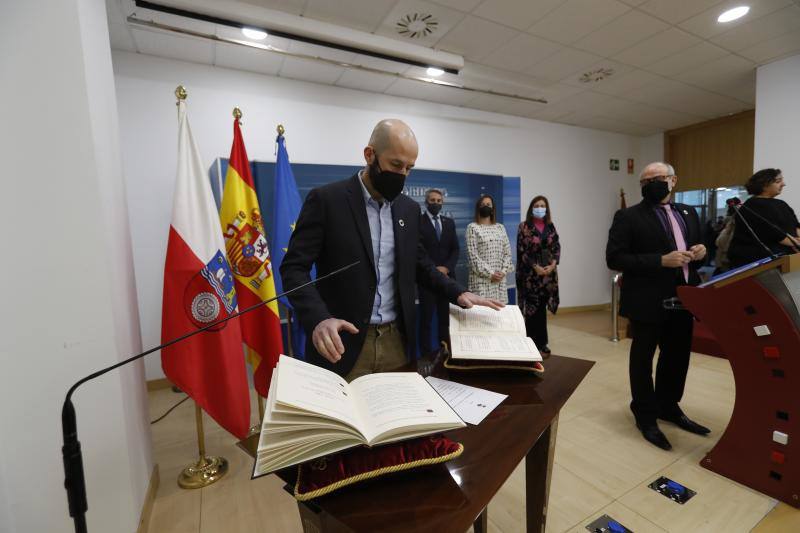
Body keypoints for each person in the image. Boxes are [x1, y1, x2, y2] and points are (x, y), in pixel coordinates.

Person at [280, 119, 503, 381]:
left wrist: (459, 292)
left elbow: (420, 264)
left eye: (410, 168)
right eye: (396, 165)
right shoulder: (327, 200)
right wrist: (318, 318)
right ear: (369, 154)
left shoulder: (408, 209)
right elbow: (294, 268)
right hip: (342, 345)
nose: (403, 175)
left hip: (397, 343)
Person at [606, 162, 710, 451]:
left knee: (676, 358)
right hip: (647, 302)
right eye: (645, 180)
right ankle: (645, 414)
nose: (651, 183)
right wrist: (659, 260)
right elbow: (615, 258)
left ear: (673, 181)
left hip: (683, 299)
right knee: (643, 360)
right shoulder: (627, 216)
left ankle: (668, 406)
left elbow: (695, 251)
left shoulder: (688, 212)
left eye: (658, 178)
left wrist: (701, 251)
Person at [728, 169, 800, 267]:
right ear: (764, 185)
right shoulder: (752, 206)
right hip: (758, 261)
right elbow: (772, 233)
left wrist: (797, 241)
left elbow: (795, 225)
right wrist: (795, 244)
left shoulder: (781, 204)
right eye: (778, 181)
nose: (783, 184)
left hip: (787, 257)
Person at [516, 195, 560, 356]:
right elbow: (522, 251)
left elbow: (556, 247)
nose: (540, 208)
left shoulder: (550, 226)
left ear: (546, 208)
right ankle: (530, 342)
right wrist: (535, 267)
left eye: (543, 205)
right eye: (537, 205)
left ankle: (542, 342)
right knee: (531, 310)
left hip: (547, 276)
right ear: (531, 208)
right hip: (530, 276)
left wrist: (553, 265)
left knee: (541, 309)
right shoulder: (524, 227)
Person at [418, 188, 459, 355]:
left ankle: (445, 351)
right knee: (426, 320)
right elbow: (419, 251)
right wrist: (434, 269)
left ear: (442, 203)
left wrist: (446, 268)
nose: (436, 203)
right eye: (432, 200)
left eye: (439, 201)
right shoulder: (418, 222)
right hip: (427, 279)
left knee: (445, 319)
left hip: (448, 279)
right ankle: (427, 355)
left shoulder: (449, 222)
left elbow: (455, 249)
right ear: (426, 202)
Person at [466, 194, 514, 304]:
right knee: (482, 315)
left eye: (488, 204)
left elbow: (507, 253)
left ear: (492, 209)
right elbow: (473, 257)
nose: (485, 206)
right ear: (478, 208)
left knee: (499, 314)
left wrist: (502, 272)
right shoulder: (472, 228)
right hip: (481, 281)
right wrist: (491, 274)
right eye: (482, 205)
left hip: (499, 281)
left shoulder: (500, 227)